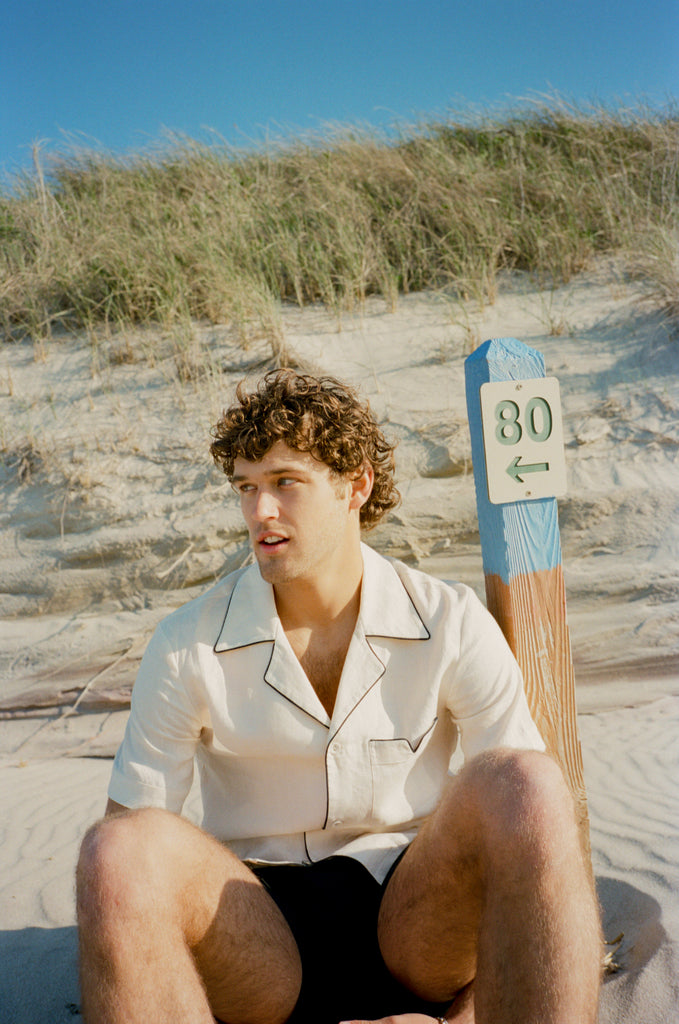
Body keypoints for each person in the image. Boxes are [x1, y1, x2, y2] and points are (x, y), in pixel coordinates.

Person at [76, 369, 602, 1024]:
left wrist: (459, 1020)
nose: (259, 512)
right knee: (116, 849)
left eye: (284, 482)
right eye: (246, 487)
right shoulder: (187, 643)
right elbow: (131, 867)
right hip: (254, 933)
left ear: (356, 485)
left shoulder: (450, 619)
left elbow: (531, 844)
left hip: (415, 921)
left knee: (530, 784)